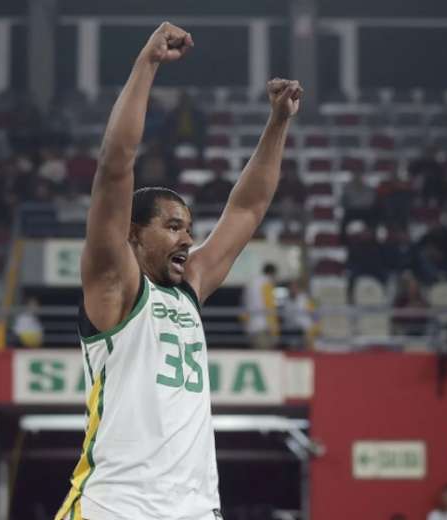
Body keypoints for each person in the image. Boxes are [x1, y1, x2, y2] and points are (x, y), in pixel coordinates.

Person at [54, 23, 302, 520]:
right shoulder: (115, 287)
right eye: (172, 226)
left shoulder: (189, 287)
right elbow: (115, 165)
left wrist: (277, 123)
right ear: (132, 234)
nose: (188, 238)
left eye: (188, 227)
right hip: (116, 506)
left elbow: (248, 209)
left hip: (193, 508)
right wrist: (147, 63)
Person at [242, 263, 281, 350]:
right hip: (264, 327)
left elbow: (244, 304)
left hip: (250, 326)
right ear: (272, 273)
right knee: (266, 358)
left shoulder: (251, 283)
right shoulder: (266, 284)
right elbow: (270, 307)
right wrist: (275, 332)